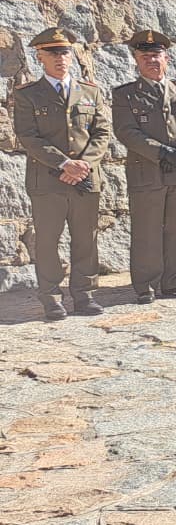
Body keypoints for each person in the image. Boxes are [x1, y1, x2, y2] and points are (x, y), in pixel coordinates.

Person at [14, 27, 111, 319]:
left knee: (86, 239)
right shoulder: (28, 95)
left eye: (65, 51)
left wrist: (84, 164)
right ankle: (52, 298)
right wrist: (64, 164)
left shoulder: (90, 91)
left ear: (72, 55)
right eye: (52, 53)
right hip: (48, 181)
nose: (60, 58)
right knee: (47, 241)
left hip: (85, 179)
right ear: (39, 57)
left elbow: (102, 132)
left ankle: (84, 295)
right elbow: (28, 137)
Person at [112, 30, 176, 303]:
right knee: (147, 231)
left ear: (167, 58)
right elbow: (127, 132)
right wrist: (163, 152)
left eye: (156, 55)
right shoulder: (126, 95)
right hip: (148, 172)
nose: (152, 60)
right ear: (136, 61)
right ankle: (146, 285)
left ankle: (174, 281)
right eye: (145, 56)